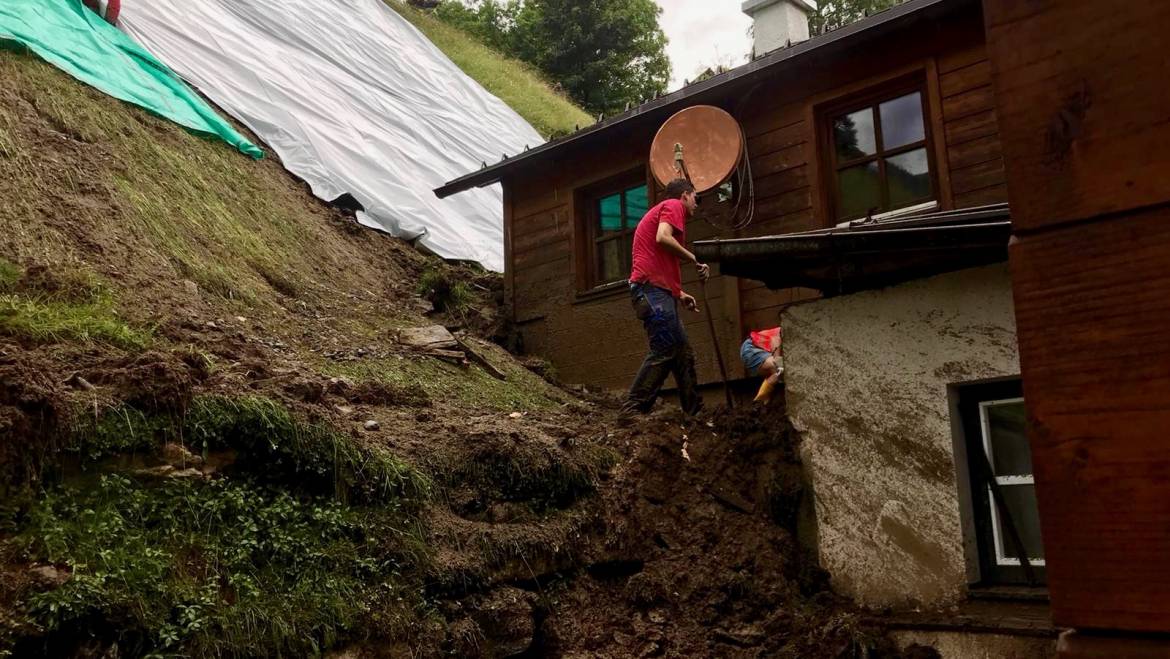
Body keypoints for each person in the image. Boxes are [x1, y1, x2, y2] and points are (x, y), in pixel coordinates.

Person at [620, 178, 711, 418]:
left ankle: (694, 413)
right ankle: (632, 410)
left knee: (681, 351)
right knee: (665, 347)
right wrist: (694, 258)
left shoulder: (666, 210)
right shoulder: (673, 205)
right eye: (696, 198)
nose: (696, 204)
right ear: (684, 195)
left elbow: (655, 258)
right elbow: (662, 237)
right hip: (650, 291)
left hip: (656, 291)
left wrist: (678, 293)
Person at [740, 327, 783, 403]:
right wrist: (778, 362)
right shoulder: (784, 330)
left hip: (759, 351)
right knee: (779, 368)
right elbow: (775, 340)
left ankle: (765, 402)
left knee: (779, 372)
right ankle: (759, 401)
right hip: (751, 348)